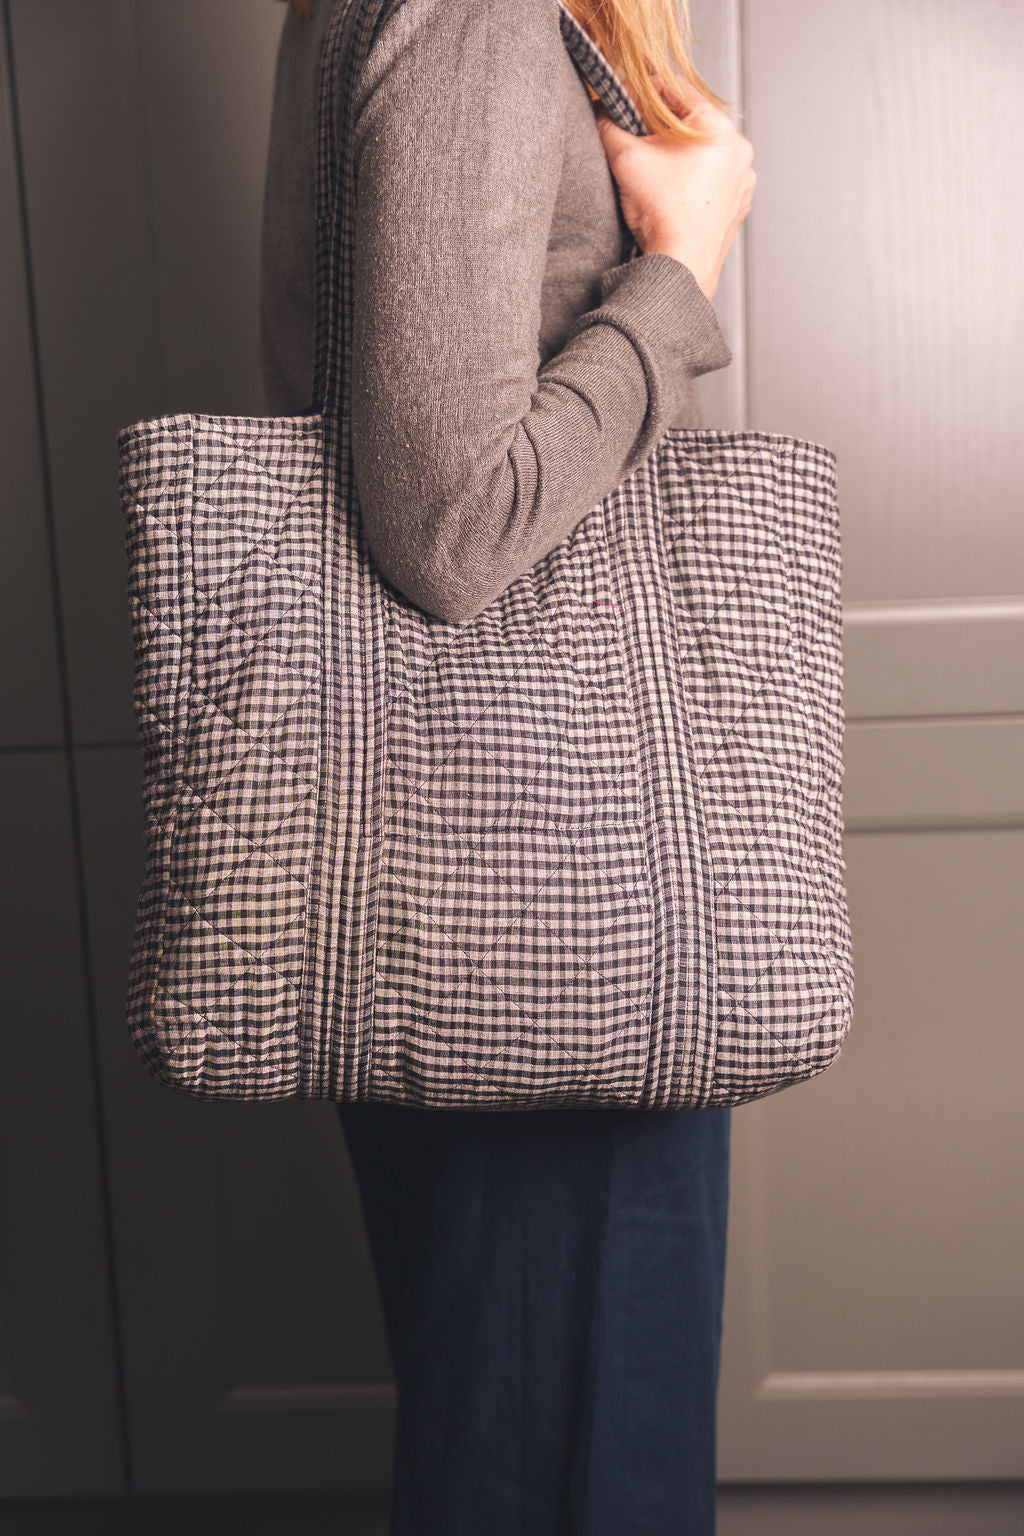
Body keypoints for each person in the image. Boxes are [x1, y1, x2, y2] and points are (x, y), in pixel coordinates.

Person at [261, 0, 755, 1530]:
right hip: (550, 890)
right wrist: (682, 264)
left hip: (495, 869)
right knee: (578, 1476)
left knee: (527, 1450)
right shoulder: (471, 12)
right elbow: (452, 523)